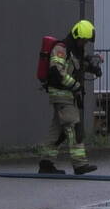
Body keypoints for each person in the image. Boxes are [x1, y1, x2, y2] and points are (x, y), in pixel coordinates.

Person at [39, 20, 101, 175]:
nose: (84, 44)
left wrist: (95, 69)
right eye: (84, 40)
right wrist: (75, 85)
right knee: (73, 127)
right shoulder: (61, 49)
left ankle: (46, 164)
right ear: (76, 35)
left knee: (57, 132)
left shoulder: (76, 51)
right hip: (61, 95)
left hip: (67, 96)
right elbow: (56, 71)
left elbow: (81, 64)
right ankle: (80, 164)